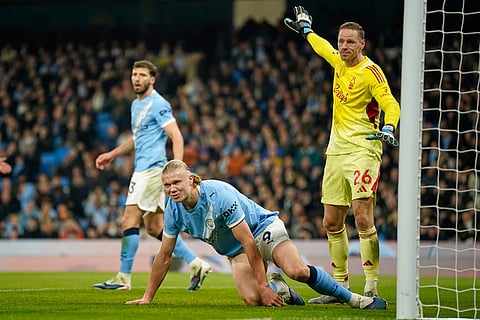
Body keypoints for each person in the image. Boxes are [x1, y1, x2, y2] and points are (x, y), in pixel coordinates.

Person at [125, 159, 387, 310]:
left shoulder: (219, 195)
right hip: (235, 251)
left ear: (192, 180)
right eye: (167, 185)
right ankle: (281, 290)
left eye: (176, 183)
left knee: (296, 271)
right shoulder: (172, 210)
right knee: (253, 300)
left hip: (262, 230)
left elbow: (249, 241)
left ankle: (354, 299)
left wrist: (263, 284)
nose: (171, 189)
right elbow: (164, 255)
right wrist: (148, 297)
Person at [284, 6, 401, 304]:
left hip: (364, 148)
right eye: (341, 41)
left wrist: (389, 126)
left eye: (350, 42)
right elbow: (321, 48)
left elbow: (391, 103)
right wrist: (307, 29)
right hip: (336, 151)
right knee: (331, 222)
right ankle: (339, 289)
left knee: (362, 217)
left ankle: (372, 286)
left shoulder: (370, 71)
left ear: (362, 44)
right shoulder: (338, 62)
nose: (344, 46)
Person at [93, 60, 211, 291]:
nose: (137, 78)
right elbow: (138, 138)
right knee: (156, 227)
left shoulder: (158, 104)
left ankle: (123, 277)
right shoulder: (136, 105)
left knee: (129, 220)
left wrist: (178, 168)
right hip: (144, 168)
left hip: (151, 170)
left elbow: (176, 137)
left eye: (142, 75)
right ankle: (196, 263)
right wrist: (113, 154)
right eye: (134, 74)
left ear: (152, 79)